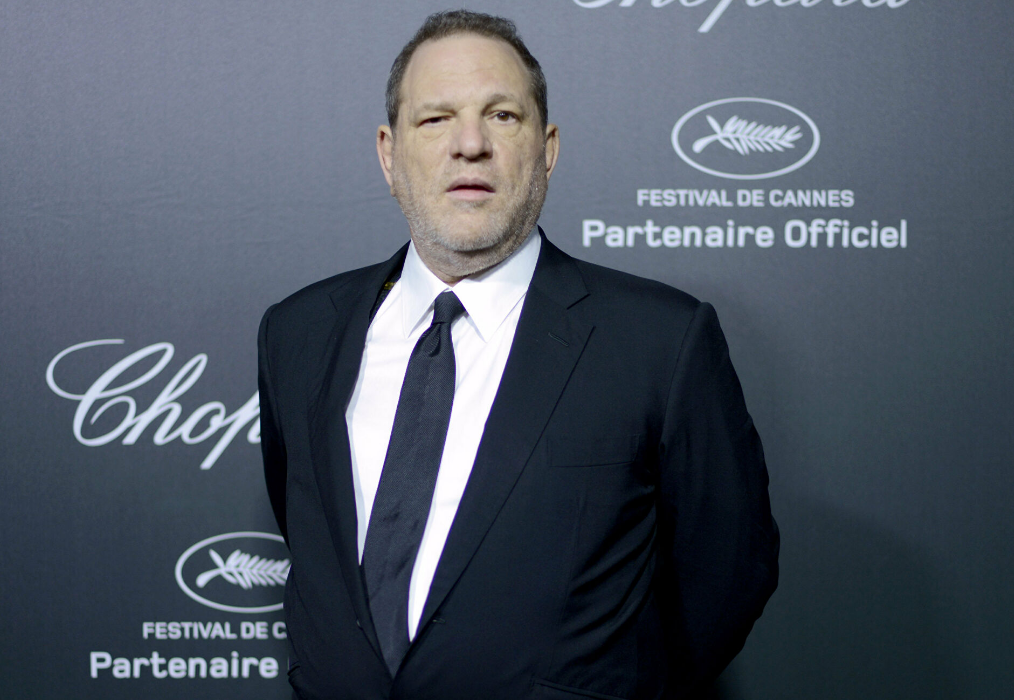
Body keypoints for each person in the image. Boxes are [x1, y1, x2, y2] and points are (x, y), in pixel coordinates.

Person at [258, 10, 778, 700]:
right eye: (435, 119)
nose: (470, 144)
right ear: (389, 154)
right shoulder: (298, 333)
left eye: (502, 116)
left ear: (547, 148)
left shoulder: (660, 341)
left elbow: (727, 575)